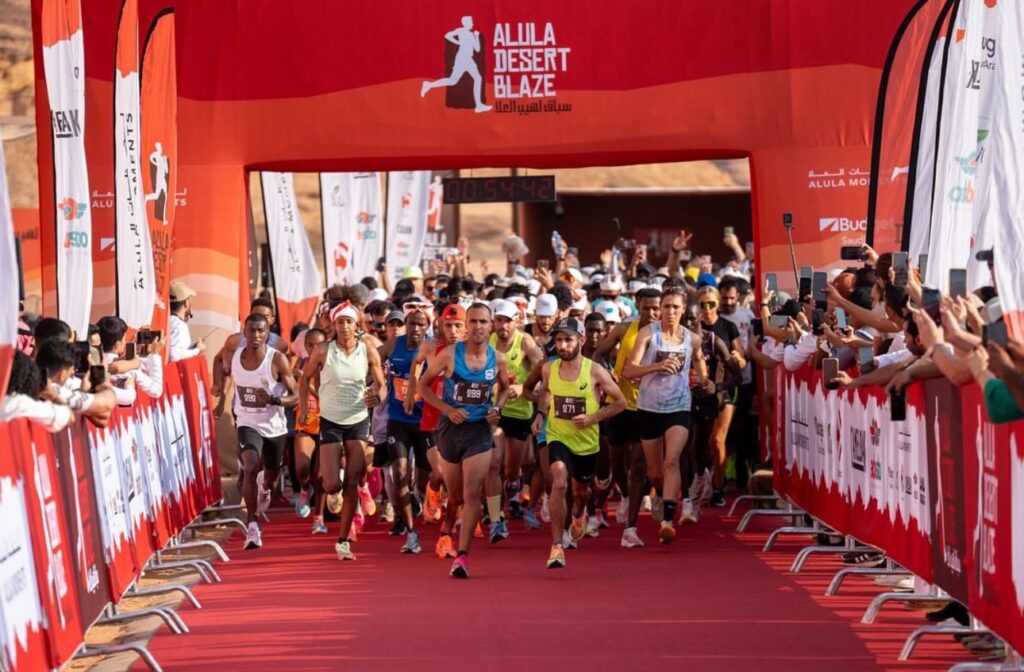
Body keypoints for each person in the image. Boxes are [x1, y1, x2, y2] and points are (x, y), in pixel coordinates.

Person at [418, 303, 510, 578]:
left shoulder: (498, 359)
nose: (479, 327)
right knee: (456, 496)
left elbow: (504, 390)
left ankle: (462, 556)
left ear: (491, 325)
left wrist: (497, 409)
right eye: (474, 322)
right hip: (450, 430)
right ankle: (446, 529)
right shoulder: (448, 355)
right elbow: (423, 385)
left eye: (484, 321)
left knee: (472, 493)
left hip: (479, 431)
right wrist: (447, 410)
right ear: (467, 325)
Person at [533, 317, 625, 568]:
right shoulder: (548, 369)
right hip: (558, 435)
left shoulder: (594, 371)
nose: (562, 345)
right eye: (559, 340)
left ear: (581, 341)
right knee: (559, 483)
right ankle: (556, 546)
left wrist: (594, 417)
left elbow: (621, 402)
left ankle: (578, 514)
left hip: (586, 441)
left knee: (580, 492)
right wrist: (541, 415)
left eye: (568, 339)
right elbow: (544, 393)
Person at [298, 301, 387, 561]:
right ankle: (332, 490)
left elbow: (381, 384)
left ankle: (343, 540)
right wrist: (304, 408)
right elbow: (304, 379)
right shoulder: (323, 350)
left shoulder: (368, 351)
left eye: (349, 322)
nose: (345, 327)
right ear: (333, 326)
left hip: (358, 420)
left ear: (356, 324)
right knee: (332, 483)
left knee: (351, 481)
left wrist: (377, 397)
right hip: (330, 420)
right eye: (340, 322)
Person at [623, 288, 708, 544]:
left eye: (675, 307)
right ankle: (660, 493)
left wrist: (706, 382)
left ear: (683, 310)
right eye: (666, 306)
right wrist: (657, 366)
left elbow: (700, 364)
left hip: (679, 406)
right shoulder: (649, 334)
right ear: (661, 308)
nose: (670, 312)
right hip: (649, 407)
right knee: (655, 472)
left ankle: (668, 521)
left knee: (672, 460)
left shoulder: (692, 339)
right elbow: (629, 370)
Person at [592, 287, 662, 539]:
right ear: (638, 307)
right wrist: (608, 372)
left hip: (647, 407)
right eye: (647, 308)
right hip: (619, 404)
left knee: (638, 466)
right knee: (615, 462)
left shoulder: (665, 334)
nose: (652, 313)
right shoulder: (625, 329)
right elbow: (599, 353)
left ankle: (631, 526)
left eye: (657, 308)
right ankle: (624, 496)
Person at [228, 312, 298, 550]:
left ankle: (266, 486)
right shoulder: (236, 356)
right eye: (251, 330)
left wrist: (273, 400)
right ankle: (252, 525)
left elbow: (295, 396)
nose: (256, 335)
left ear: (267, 334)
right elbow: (227, 374)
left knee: (271, 477)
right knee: (249, 466)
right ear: (244, 332)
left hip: (274, 426)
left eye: (261, 331)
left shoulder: (276, 359)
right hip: (247, 421)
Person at [408, 303, 467, 558]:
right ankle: (432, 491)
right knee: (439, 473)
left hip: (461, 423)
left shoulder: (474, 352)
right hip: (433, 420)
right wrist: (411, 392)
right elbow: (416, 365)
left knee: (461, 484)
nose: (452, 331)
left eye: (458, 326)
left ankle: (450, 533)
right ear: (440, 325)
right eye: (448, 325)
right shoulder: (431, 347)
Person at [487, 299, 544, 540]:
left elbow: (545, 372)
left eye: (508, 321)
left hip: (520, 413)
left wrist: (524, 387)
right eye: (499, 320)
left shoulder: (526, 342)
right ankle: (496, 519)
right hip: (495, 412)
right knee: (494, 464)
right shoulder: (489, 340)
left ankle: (515, 484)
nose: (503, 326)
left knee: (511, 471)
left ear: (517, 321)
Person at [379, 301, 434, 554]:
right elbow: (372, 359)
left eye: (420, 325)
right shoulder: (394, 344)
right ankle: (411, 532)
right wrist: (376, 379)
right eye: (411, 324)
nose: (414, 329)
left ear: (427, 327)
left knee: (422, 480)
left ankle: (418, 496)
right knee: (400, 474)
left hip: (425, 422)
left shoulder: (433, 350)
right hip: (398, 419)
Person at [696, 286, 745, 507]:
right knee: (700, 443)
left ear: (717, 305)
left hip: (726, 387)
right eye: (702, 304)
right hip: (700, 391)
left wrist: (736, 358)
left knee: (718, 440)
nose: (707, 309)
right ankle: (702, 479)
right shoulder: (692, 330)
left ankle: (718, 488)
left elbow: (741, 360)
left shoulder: (728, 327)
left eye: (711, 304)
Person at [293, 328, 328, 533]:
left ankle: (319, 518)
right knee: (302, 468)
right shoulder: (300, 364)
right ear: (305, 346)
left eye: (319, 345)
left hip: (327, 423)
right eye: (310, 345)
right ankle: (305, 489)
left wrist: (305, 380)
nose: (315, 349)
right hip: (306, 422)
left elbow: (326, 396)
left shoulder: (332, 368)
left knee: (321, 475)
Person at [420, 16, 492, 113]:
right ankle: (428, 85)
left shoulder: (471, 34)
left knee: (477, 78)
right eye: (471, 21)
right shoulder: (461, 31)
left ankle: (478, 105)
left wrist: (476, 37)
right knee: (453, 81)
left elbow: (477, 49)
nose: (472, 23)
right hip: (461, 59)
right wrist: (457, 42)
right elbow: (447, 35)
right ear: (465, 23)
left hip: (469, 59)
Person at [169, 281, 207, 361]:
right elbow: (173, 354)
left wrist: (191, 349)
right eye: (189, 299)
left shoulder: (169, 321)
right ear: (186, 303)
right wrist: (197, 350)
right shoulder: (179, 325)